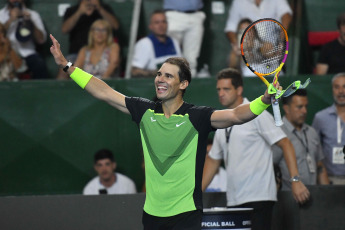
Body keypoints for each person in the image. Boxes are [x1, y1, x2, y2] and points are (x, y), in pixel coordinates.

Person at [50, 33, 294, 229]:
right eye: (158, 74)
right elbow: (103, 91)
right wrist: (67, 66)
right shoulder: (143, 110)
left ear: (183, 84)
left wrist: (263, 100)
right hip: (152, 216)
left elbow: (236, 115)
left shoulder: (198, 116)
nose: (160, 79)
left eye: (168, 75)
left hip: (186, 215)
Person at [202, 68, 310, 230]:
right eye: (218, 89)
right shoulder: (222, 121)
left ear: (239, 90)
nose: (221, 93)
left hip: (259, 197)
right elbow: (213, 159)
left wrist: (295, 180)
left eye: (226, 89)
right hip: (234, 200)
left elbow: (285, 143)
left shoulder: (257, 114)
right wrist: (196, 193)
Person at [272, 89, 329, 190]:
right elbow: (271, 167)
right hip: (287, 197)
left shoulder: (312, 132)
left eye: (306, 106)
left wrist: (327, 194)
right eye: (299, 107)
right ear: (286, 108)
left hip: (314, 196)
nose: (304, 111)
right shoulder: (278, 134)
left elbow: (320, 166)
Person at [57, 0, 119, 79]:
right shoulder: (72, 10)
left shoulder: (104, 8)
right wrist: (79, 11)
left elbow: (115, 26)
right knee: (65, 67)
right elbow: (64, 29)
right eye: (97, 30)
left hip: (101, 53)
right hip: (75, 55)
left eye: (102, 30)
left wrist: (99, 8)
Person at [224, 0, 292, 68]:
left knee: (268, 48)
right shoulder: (238, 2)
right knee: (233, 56)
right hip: (246, 51)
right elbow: (230, 28)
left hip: (271, 50)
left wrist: (280, 41)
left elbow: (286, 14)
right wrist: (237, 46)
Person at [0, 0, 48, 79]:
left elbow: (41, 40)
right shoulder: (0, 15)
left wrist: (30, 22)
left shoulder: (33, 14)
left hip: (28, 54)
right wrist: (11, 19)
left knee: (39, 64)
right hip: (6, 53)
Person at [312, 73, 345, 185]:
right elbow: (314, 149)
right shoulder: (321, 117)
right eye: (337, 87)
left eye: (344, 86)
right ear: (332, 90)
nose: (341, 91)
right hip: (330, 179)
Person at [131, 9, 182, 78]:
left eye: (164, 22)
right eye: (157, 22)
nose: (161, 25)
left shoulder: (174, 41)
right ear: (150, 26)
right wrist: (157, 73)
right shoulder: (145, 43)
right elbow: (134, 71)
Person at [163, 0, 205, 78]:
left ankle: (189, 86)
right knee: (171, 55)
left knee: (191, 58)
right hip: (174, 14)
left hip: (196, 14)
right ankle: (167, 85)